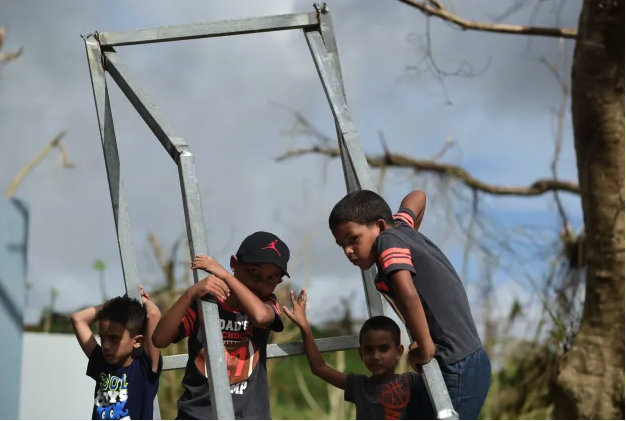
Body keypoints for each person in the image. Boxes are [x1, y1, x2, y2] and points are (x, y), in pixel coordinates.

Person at [328, 189, 492, 419]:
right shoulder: (401, 228)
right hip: (464, 360)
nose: (348, 251)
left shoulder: (387, 241)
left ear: (381, 225)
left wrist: (425, 349)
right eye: (342, 245)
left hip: (456, 367)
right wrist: (408, 231)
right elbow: (418, 196)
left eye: (353, 239)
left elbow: (408, 294)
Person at [152, 231, 290, 420]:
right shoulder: (206, 305)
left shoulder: (267, 303)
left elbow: (260, 317)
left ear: (279, 282)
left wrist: (225, 276)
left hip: (248, 415)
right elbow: (159, 339)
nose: (261, 282)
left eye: (271, 278)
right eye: (254, 271)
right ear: (234, 263)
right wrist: (189, 295)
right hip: (197, 413)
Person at [284, 288, 421, 420]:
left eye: (383, 349)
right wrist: (305, 327)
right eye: (368, 350)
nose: (375, 356)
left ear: (399, 352)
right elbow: (319, 368)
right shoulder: (359, 386)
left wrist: (422, 349)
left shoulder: (412, 382)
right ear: (360, 353)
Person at [71, 286, 163, 420]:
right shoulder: (101, 361)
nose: (106, 346)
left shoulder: (145, 369)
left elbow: (153, 314)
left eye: (114, 338)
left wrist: (142, 300)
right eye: (102, 337)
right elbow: (78, 319)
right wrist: (119, 303)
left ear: (137, 341)